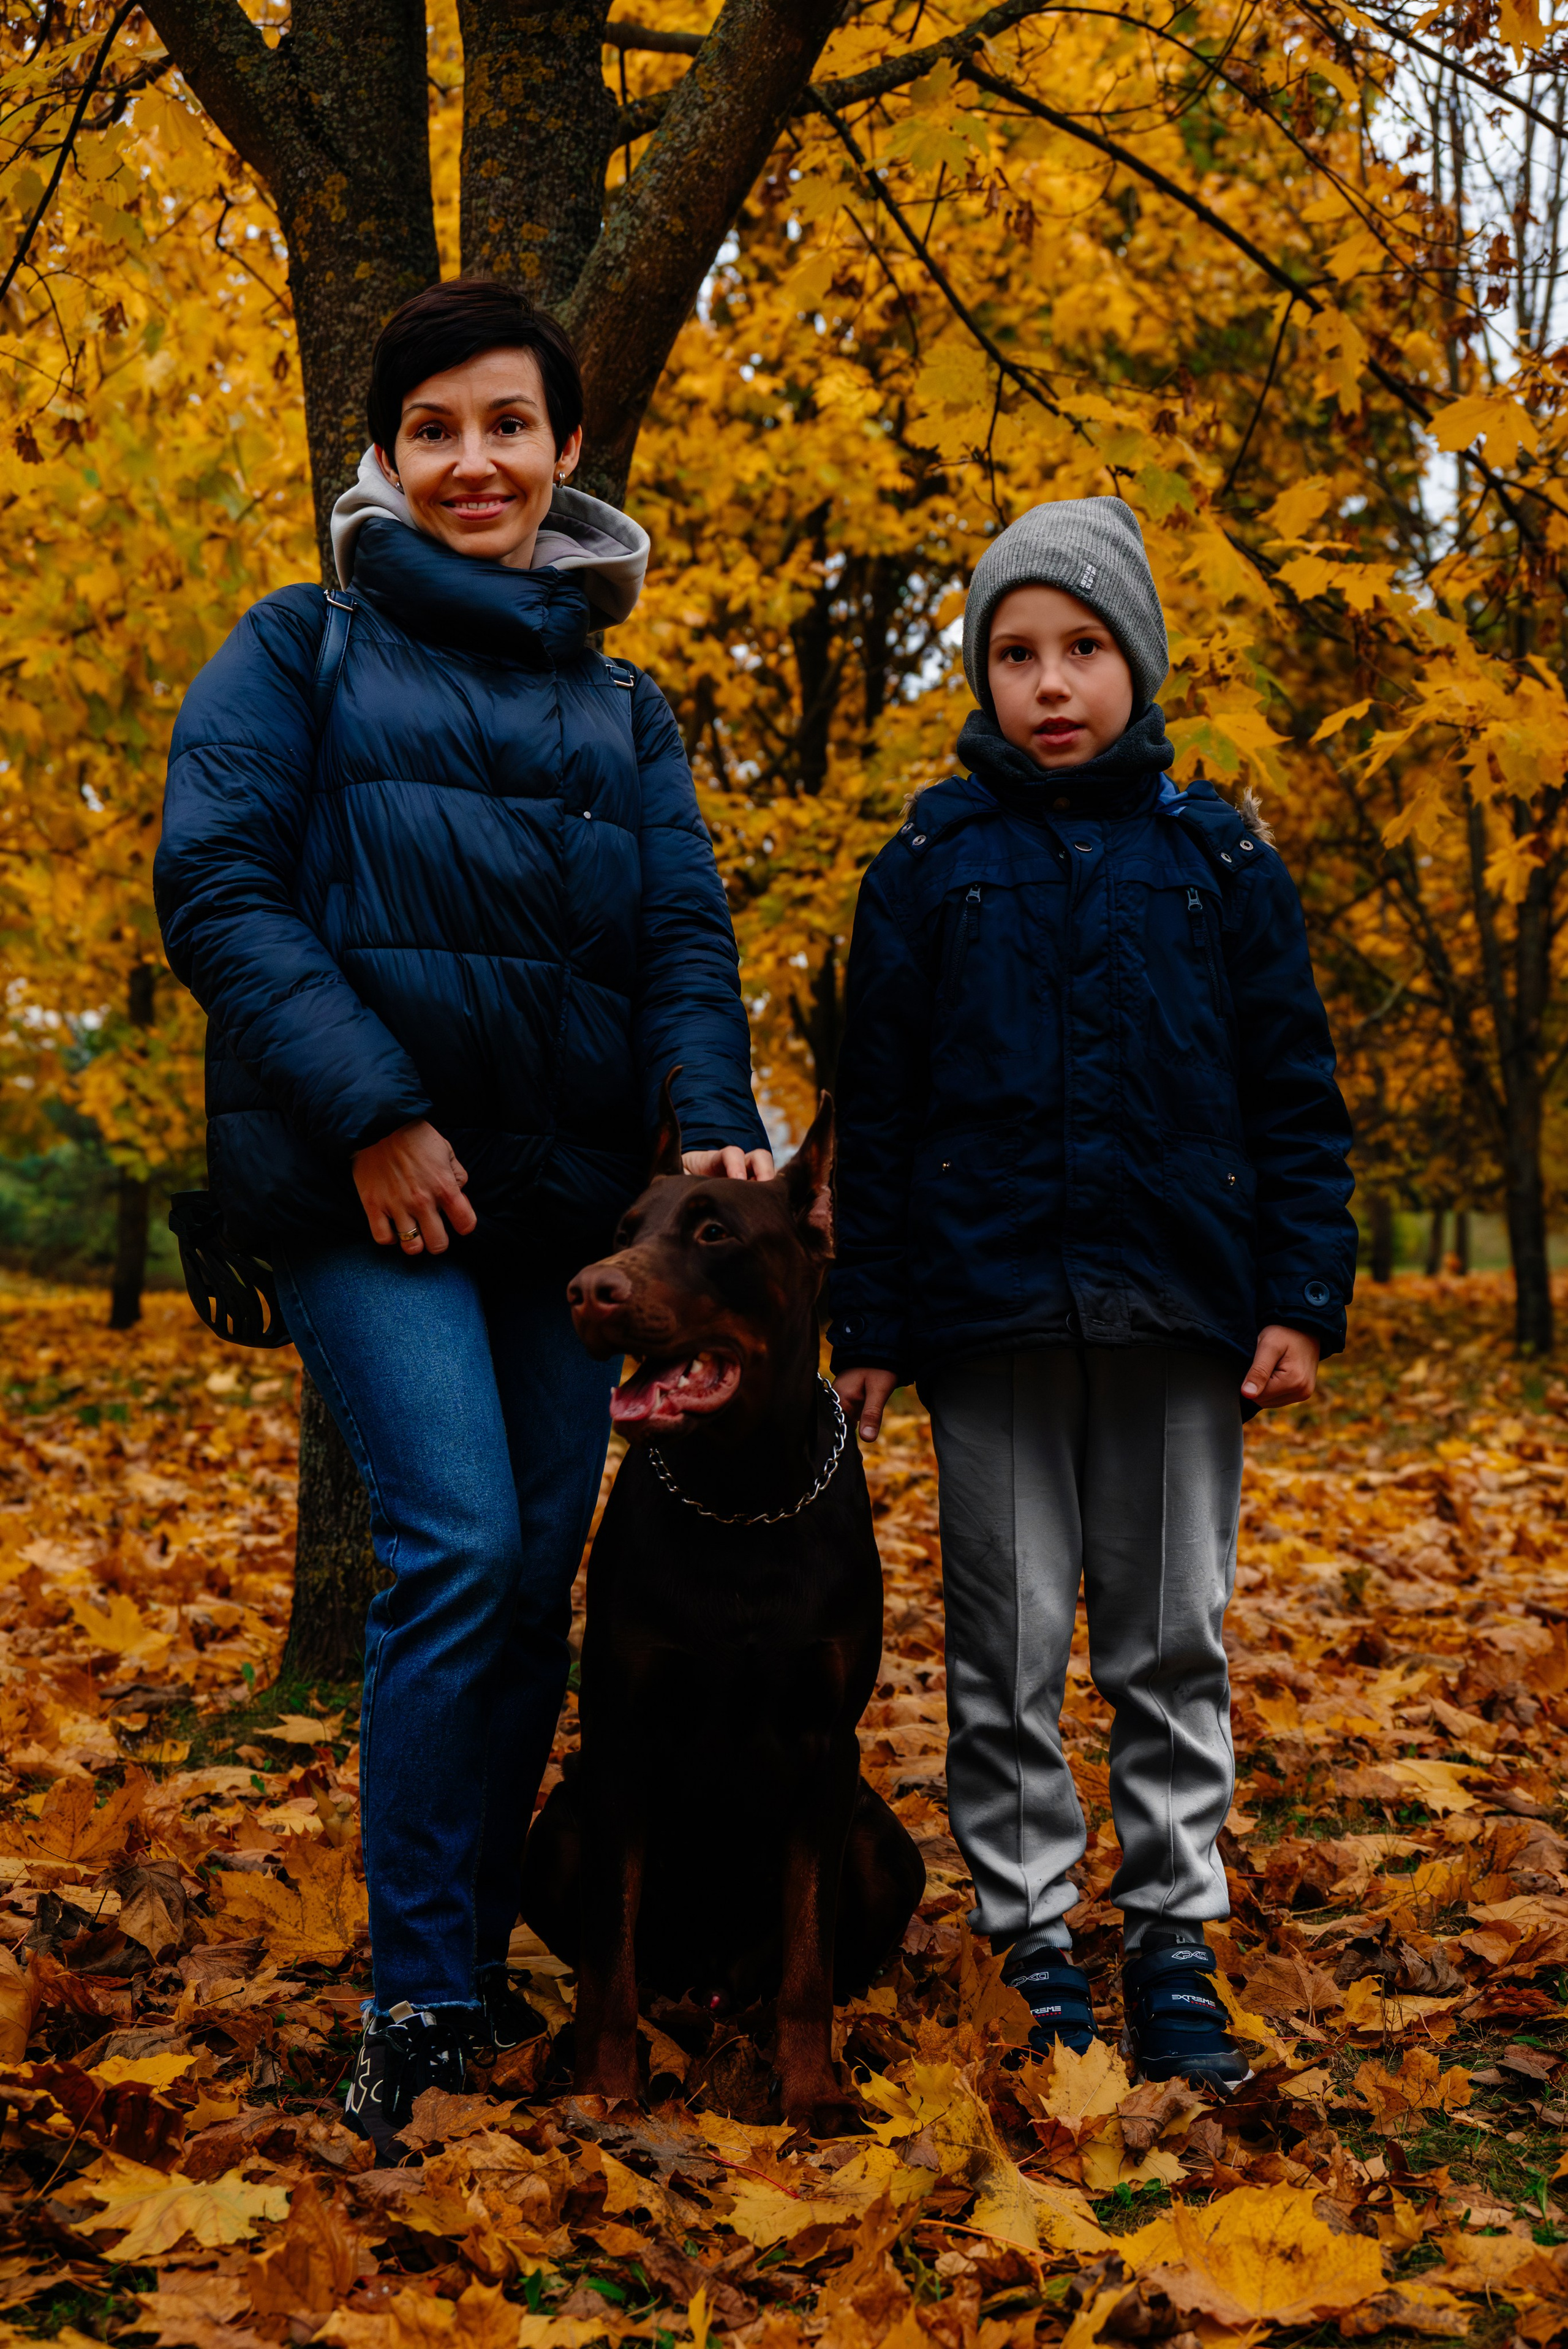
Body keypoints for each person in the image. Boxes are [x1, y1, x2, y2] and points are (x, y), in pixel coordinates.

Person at [155, 279, 771, 2149]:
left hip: (562, 1210)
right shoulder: (299, 649)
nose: (475, 460)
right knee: (453, 1545)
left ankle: (481, 1948)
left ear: (569, 447)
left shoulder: (625, 703)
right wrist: (378, 1116)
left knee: (529, 1582)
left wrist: (723, 1127)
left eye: (508, 424)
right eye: (434, 430)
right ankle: (418, 1998)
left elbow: (681, 936)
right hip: (367, 1193)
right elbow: (220, 884)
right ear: (387, 456)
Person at [829, 497, 1355, 2091]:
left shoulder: (1220, 857)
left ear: (1139, 660)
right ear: (982, 675)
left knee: (1167, 1635)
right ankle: (1030, 1929)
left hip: (1184, 1317)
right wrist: (870, 1323)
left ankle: (1173, 1927)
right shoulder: (929, 862)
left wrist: (1302, 1294)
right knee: (1001, 1642)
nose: (1050, 685)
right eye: (1014, 654)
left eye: (1082, 649)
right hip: (985, 1320)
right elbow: (883, 1111)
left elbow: (1294, 1090)